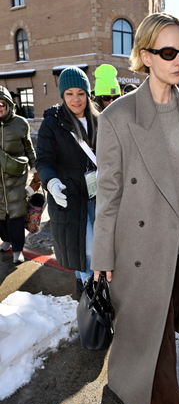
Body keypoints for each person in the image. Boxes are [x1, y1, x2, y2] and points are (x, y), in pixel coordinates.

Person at [91, 12, 179, 404]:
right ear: (145, 56)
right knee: (157, 337)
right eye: (169, 52)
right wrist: (102, 251)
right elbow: (108, 194)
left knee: (162, 328)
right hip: (139, 250)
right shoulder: (118, 118)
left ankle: (124, 377)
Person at [36, 66, 99, 290]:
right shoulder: (52, 124)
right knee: (85, 249)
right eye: (69, 93)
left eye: (80, 93)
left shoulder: (98, 120)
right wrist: (51, 182)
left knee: (103, 247)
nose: (76, 99)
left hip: (98, 196)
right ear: (62, 95)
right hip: (70, 199)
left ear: (88, 94)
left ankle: (99, 288)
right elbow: (43, 160)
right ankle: (89, 289)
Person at [0, 86, 37, 264]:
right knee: (0, 214)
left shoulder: (21, 123)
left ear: (7, 104)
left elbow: (29, 147)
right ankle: (6, 240)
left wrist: (35, 169)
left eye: (1, 103)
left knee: (15, 214)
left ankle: (17, 250)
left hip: (15, 176)